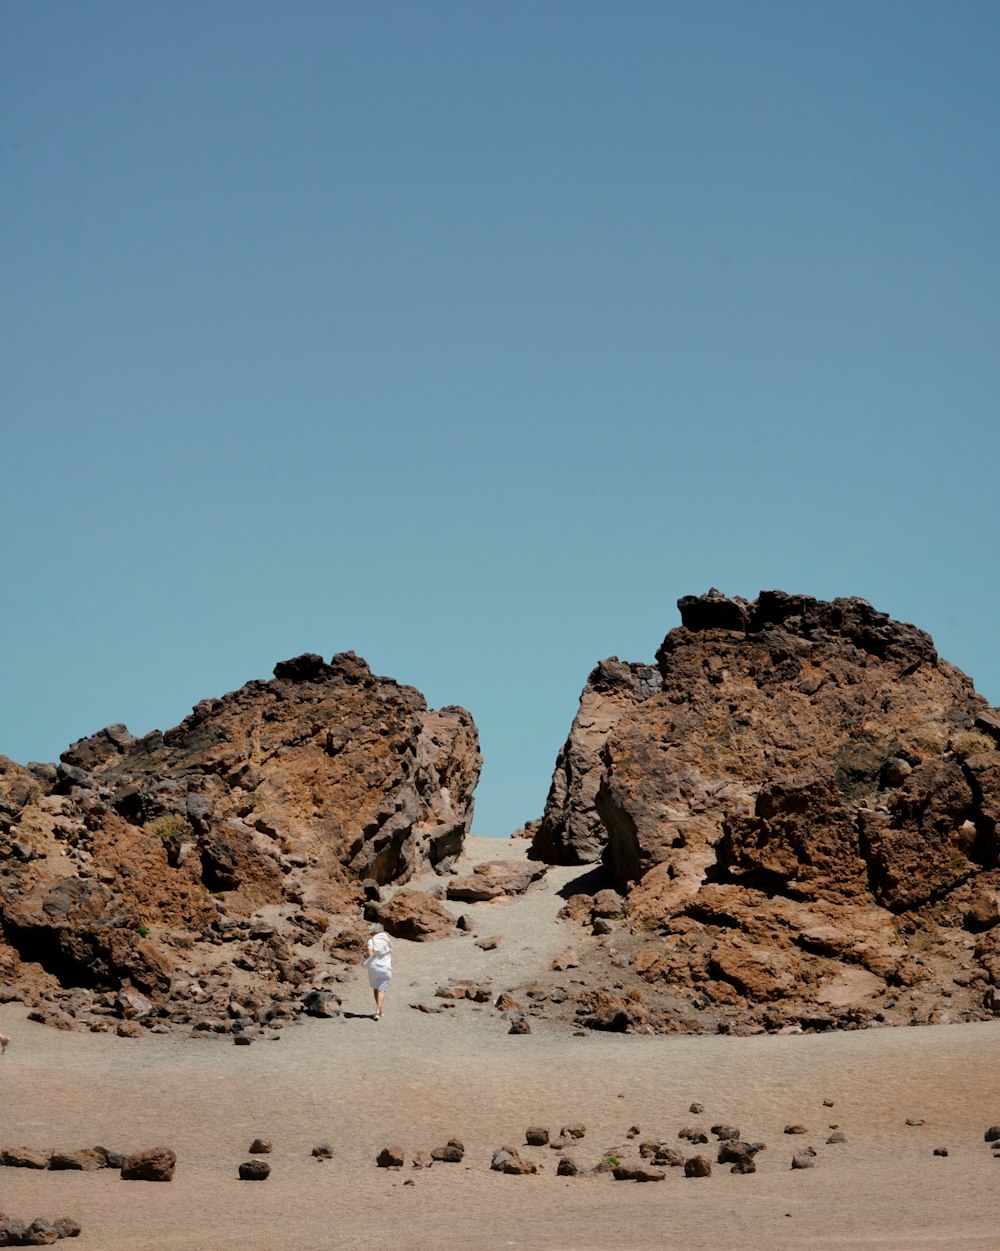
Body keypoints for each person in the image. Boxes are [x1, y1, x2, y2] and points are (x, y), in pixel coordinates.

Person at [364, 923, 393, 1021]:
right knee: (382, 990)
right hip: (386, 968)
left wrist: (370, 958)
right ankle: (378, 1011)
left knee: (375, 989)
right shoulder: (388, 941)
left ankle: (379, 1010)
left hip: (374, 968)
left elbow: (369, 953)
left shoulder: (371, 941)